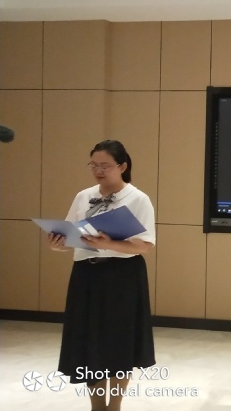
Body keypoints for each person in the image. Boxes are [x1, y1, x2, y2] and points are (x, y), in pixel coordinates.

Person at [48, 140, 156, 411]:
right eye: (93, 165)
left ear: (122, 166)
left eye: (105, 166)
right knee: (89, 342)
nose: (98, 170)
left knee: (119, 342)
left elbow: (145, 245)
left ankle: (114, 405)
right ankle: (97, 406)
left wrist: (110, 243)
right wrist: (59, 244)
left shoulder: (138, 198)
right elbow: (72, 235)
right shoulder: (83, 196)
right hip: (87, 274)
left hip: (123, 276)